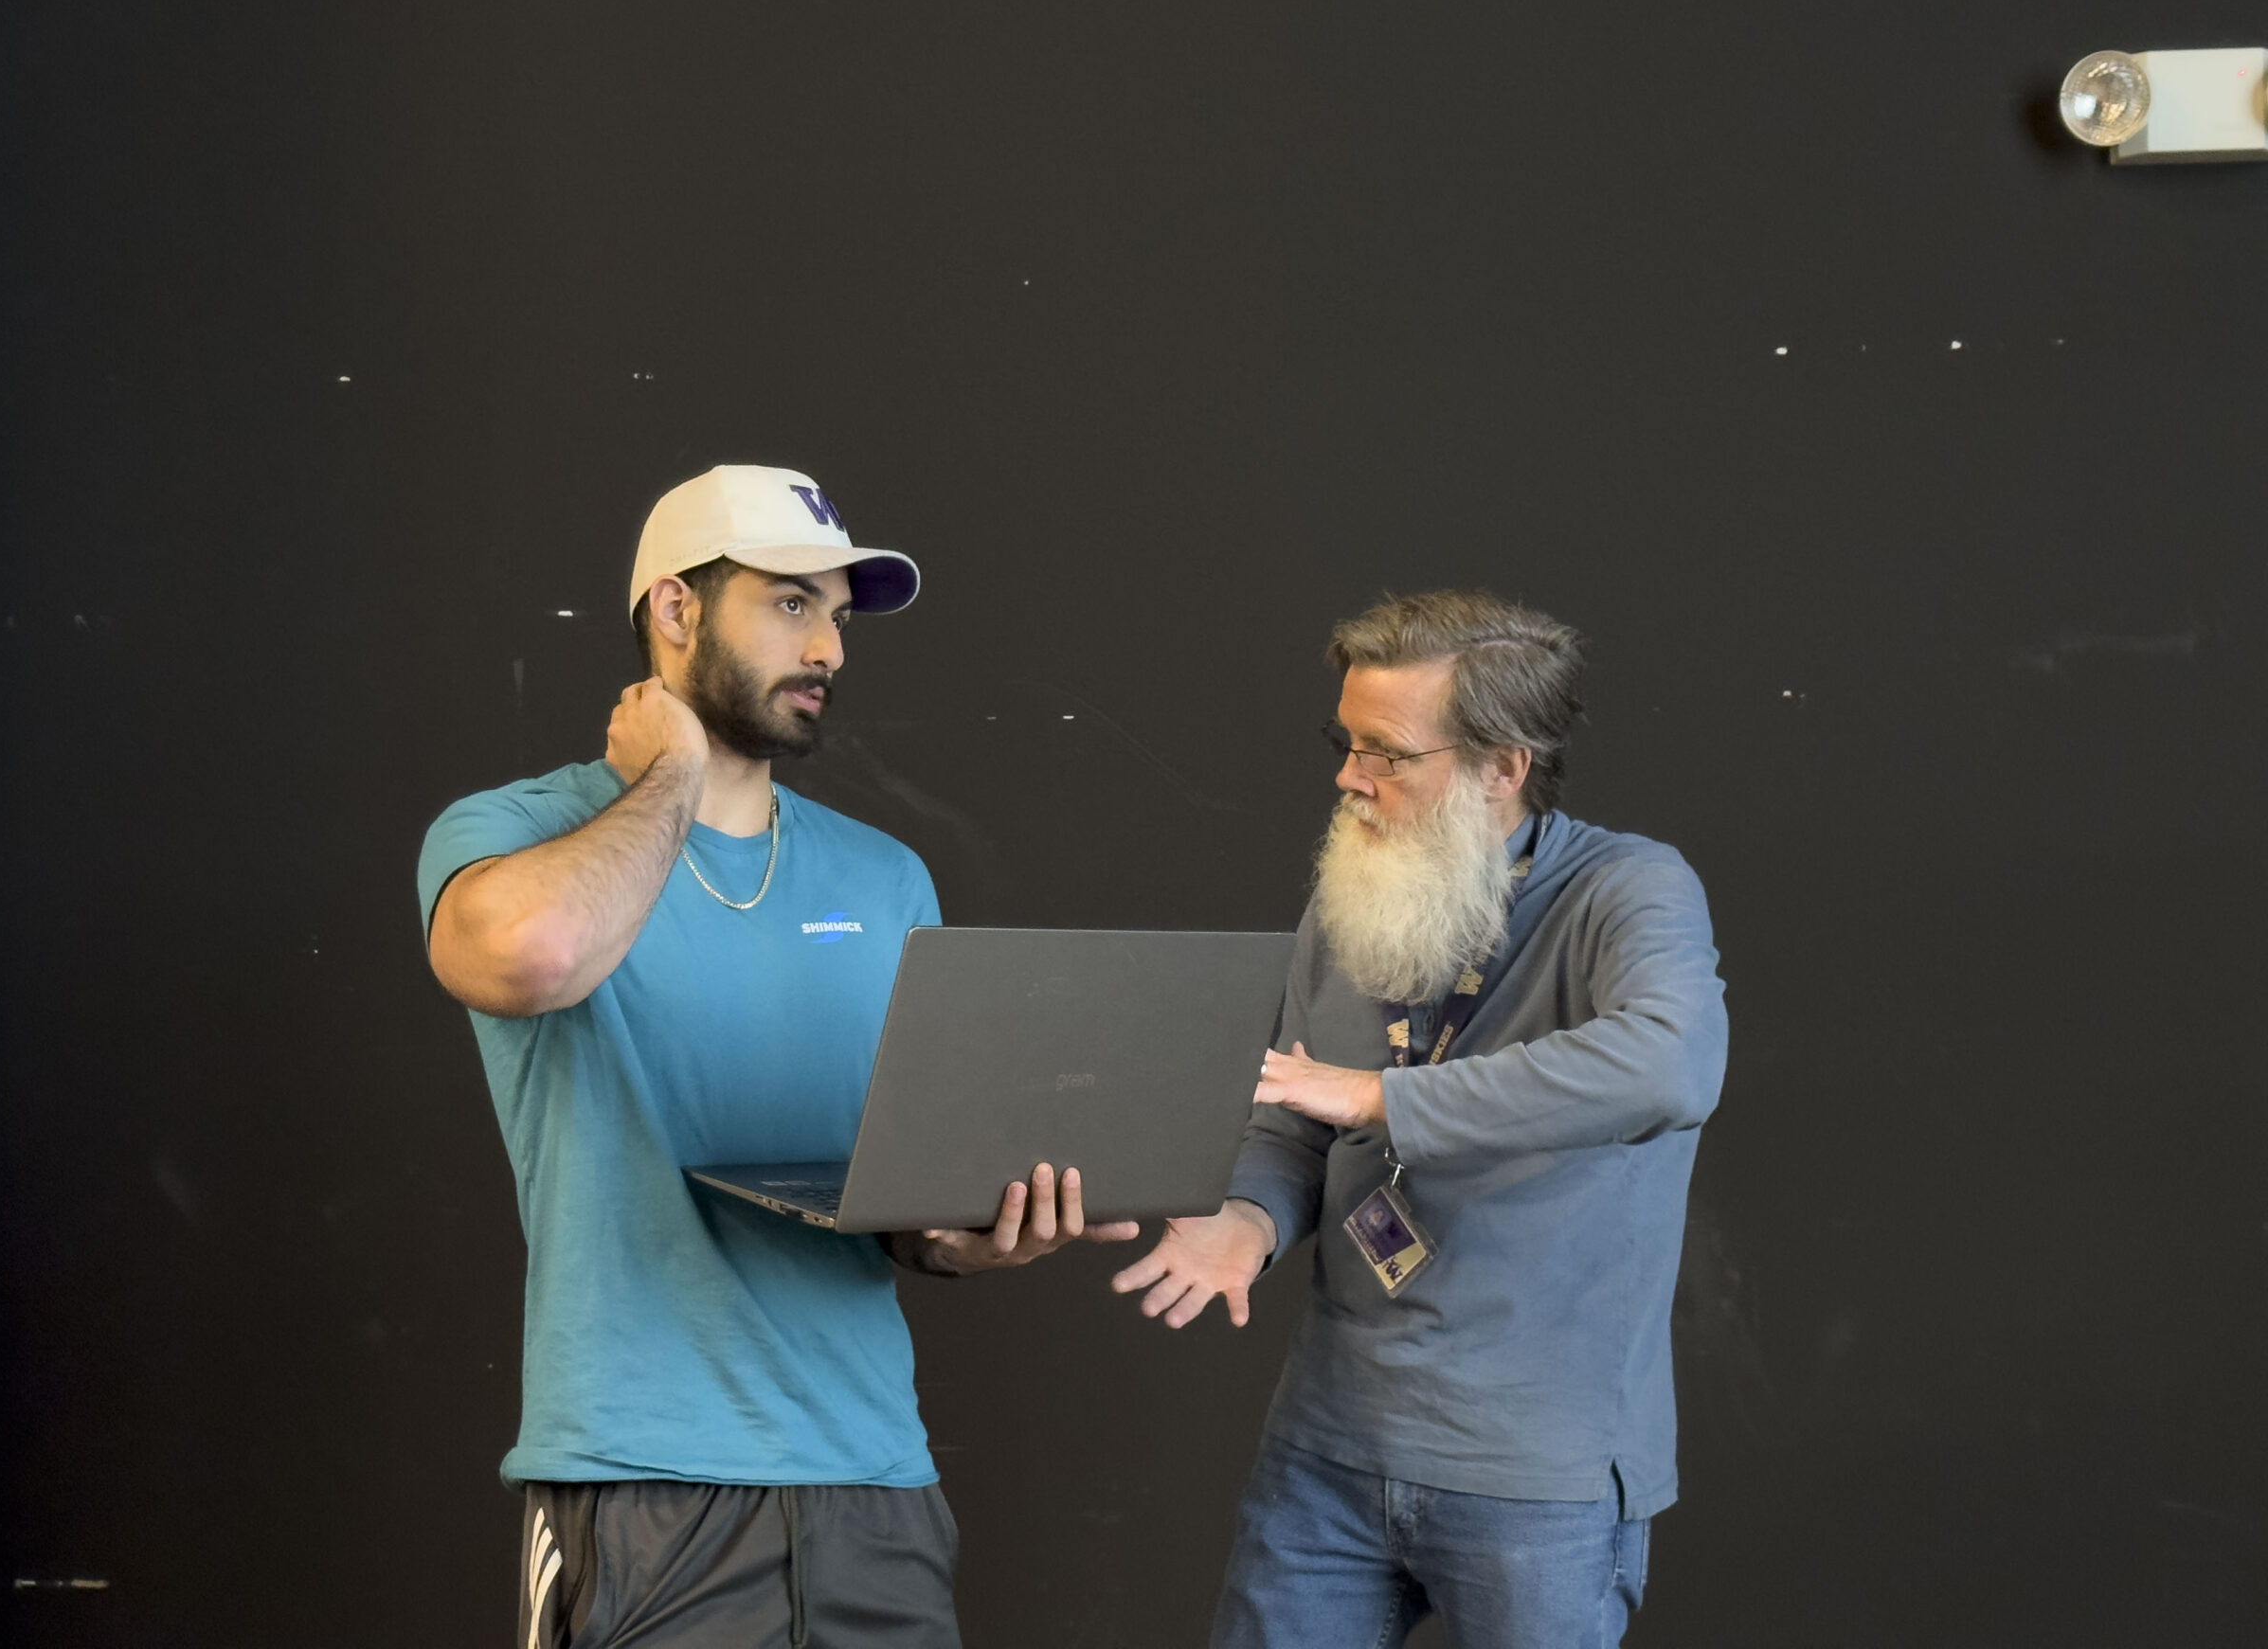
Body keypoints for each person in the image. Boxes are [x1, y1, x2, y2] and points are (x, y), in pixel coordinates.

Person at [419, 465, 1132, 1649]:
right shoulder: (513, 834)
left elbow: (906, 1188)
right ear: (676, 612)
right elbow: (532, 958)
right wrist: (674, 776)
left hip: (875, 1487)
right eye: (790, 603)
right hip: (642, 1486)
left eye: (838, 617)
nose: (830, 650)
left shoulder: (886, 877)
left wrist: (970, 1234)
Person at [1113, 589, 1728, 1649]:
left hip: (1536, 1476)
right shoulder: (1356, 891)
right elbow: (1292, 1120)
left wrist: (1381, 1098)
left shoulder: (1628, 888)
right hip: (1326, 1453)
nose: (1349, 779)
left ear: (1502, 767)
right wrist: (1248, 1222)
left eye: (1387, 754)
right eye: (1346, 743)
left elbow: (1668, 1066)